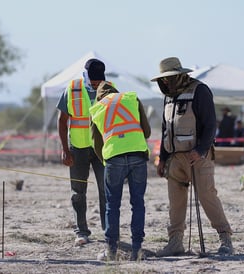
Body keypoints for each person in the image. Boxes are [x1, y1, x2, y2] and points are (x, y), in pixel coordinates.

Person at [151, 57, 234, 256]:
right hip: (174, 159)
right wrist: (162, 158)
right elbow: (165, 129)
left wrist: (201, 149)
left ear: (179, 75)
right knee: (176, 202)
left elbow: (210, 124)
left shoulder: (200, 91)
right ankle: (175, 242)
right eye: (162, 79)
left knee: (207, 197)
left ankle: (225, 239)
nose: (164, 82)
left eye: (168, 78)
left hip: (198, 156)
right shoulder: (168, 97)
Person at [89, 81, 151, 261]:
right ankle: (137, 251)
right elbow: (146, 132)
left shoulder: (97, 108)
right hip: (138, 155)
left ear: (99, 96)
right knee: (137, 203)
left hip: (114, 158)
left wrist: (107, 162)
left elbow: (96, 143)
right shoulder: (132, 99)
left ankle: (111, 251)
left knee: (112, 205)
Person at [56, 58, 108, 246]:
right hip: (77, 150)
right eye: (92, 79)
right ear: (85, 75)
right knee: (78, 192)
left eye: (98, 80)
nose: (95, 83)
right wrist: (65, 150)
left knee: (106, 189)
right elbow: (62, 122)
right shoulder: (72, 89)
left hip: (103, 149)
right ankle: (81, 231)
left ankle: (108, 231)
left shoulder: (110, 89)